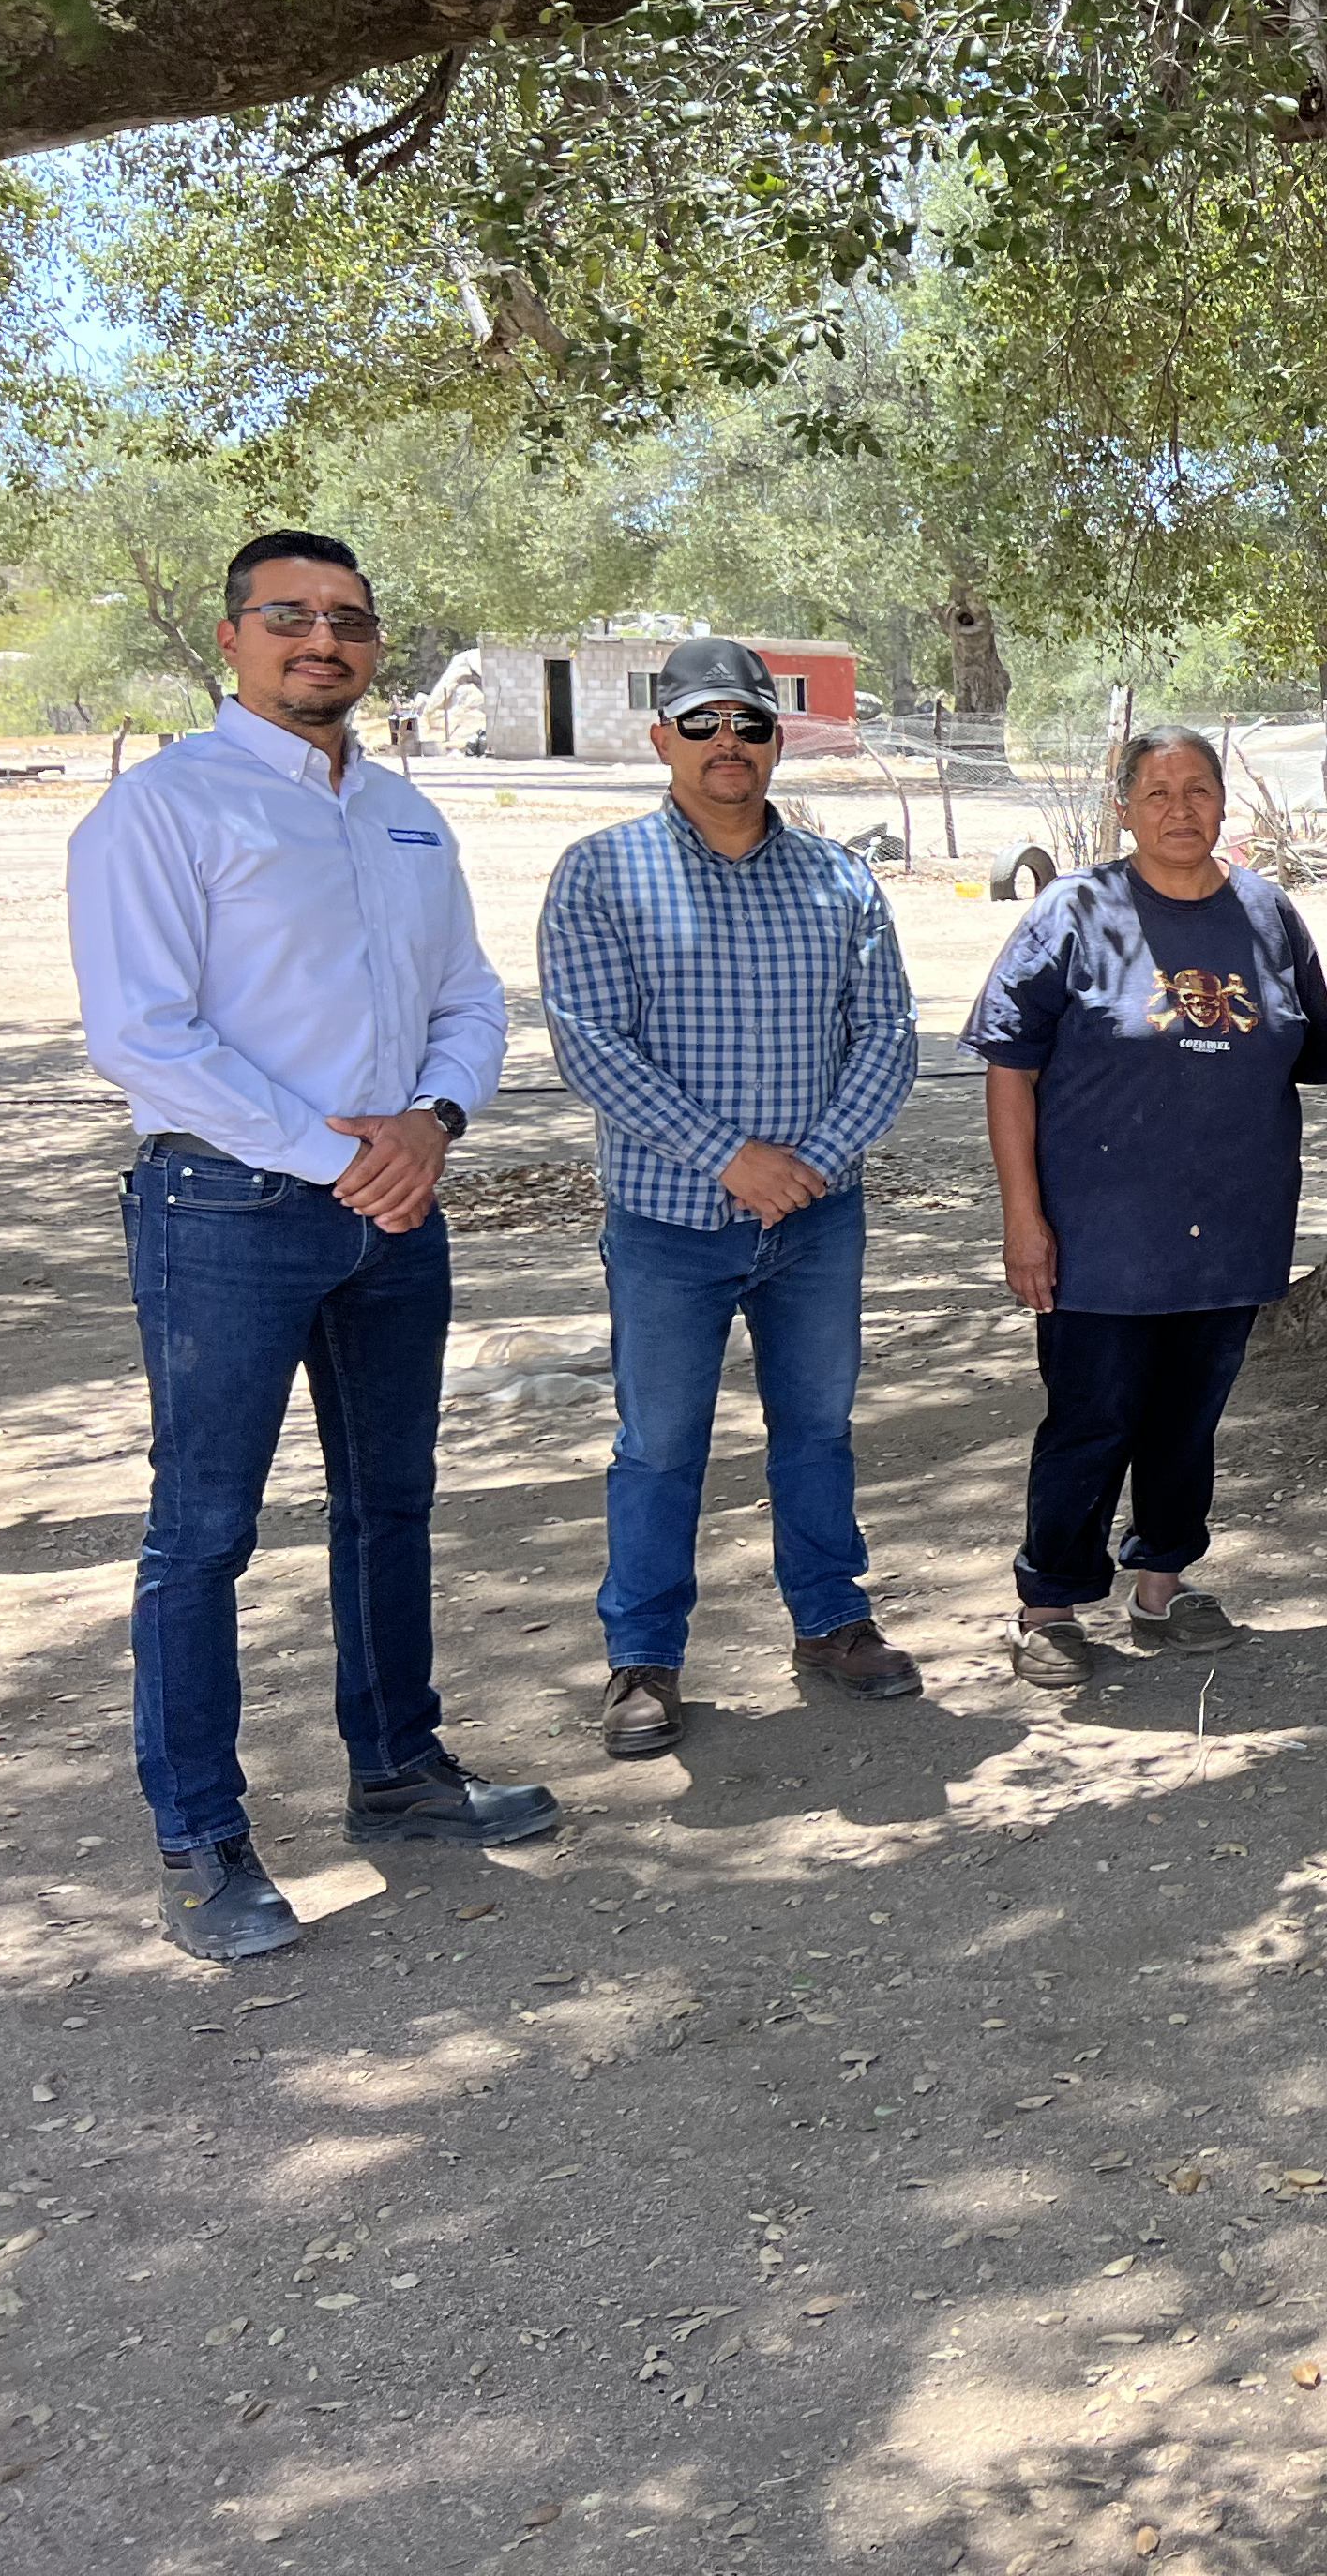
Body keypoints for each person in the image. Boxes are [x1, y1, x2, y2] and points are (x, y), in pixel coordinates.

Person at [68, 530, 558, 1962]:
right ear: (232, 639)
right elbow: (142, 1034)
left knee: (389, 1506)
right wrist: (343, 1152)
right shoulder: (165, 811)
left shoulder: (406, 815)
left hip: (397, 1214)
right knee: (204, 1533)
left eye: (347, 618)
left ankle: (398, 1771)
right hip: (227, 1214)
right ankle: (201, 1837)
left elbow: (468, 995)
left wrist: (432, 1124)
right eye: (288, 617)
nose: (320, 641)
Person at [537, 638, 921, 1760]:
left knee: (816, 1430)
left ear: (775, 740)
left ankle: (831, 1622)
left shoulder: (842, 878)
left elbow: (888, 1037)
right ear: (661, 738)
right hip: (667, 1220)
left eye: (750, 724)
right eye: (702, 724)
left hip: (817, 1219)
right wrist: (729, 1157)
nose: (729, 746)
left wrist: (808, 1163)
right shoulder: (600, 872)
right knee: (659, 1445)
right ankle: (643, 1659)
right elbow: (591, 1042)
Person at [966, 727, 1327, 1687]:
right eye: (1157, 792)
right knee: (1092, 1415)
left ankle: (1163, 1581)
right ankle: (1050, 1601)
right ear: (1124, 808)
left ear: (1226, 803)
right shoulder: (1072, 913)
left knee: (1188, 1416)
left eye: (1200, 789)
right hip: (1102, 1229)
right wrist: (1024, 1218)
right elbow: (1011, 1069)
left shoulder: (1269, 916)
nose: (1181, 809)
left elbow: (1300, 1056)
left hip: (1230, 1223)